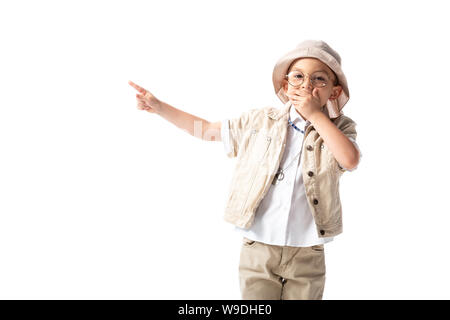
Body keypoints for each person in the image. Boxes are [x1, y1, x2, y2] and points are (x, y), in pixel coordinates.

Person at [128, 40, 362, 300]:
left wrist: (316, 116)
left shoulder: (340, 128)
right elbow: (205, 130)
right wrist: (160, 108)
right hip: (259, 246)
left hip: (307, 250)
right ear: (286, 86)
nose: (307, 85)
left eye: (319, 79)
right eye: (298, 77)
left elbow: (350, 160)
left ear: (333, 91)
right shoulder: (260, 122)